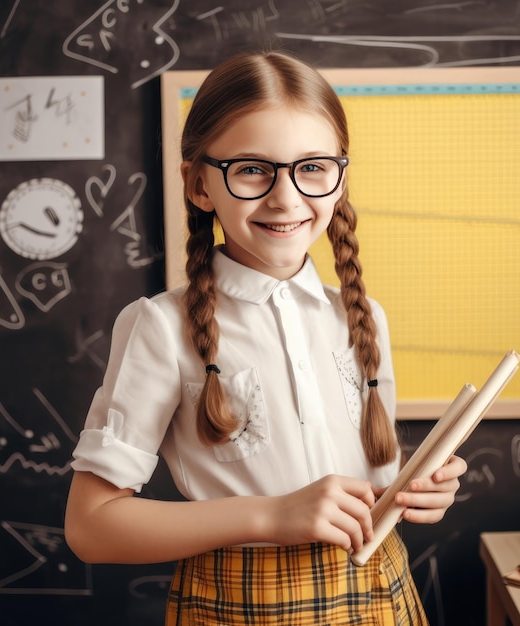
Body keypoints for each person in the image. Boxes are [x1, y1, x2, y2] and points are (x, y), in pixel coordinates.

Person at [65, 50, 467, 625]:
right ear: (199, 185)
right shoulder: (159, 326)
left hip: (383, 592)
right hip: (240, 604)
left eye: (312, 167)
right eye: (252, 169)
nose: (286, 196)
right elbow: (91, 526)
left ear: (338, 177)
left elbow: (366, 492)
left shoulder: (363, 317)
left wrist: (411, 491)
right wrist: (271, 516)